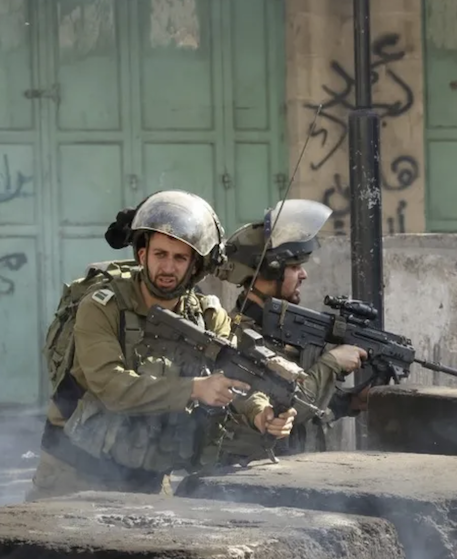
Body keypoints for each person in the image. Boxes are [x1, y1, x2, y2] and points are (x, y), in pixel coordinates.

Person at [28, 190, 297, 500]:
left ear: (195, 265)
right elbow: (111, 387)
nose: (168, 268)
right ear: (143, 255)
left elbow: (235, 376)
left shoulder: (208, 316)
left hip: (149, 477)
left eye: (180, 257)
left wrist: (260, 412)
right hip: (74, 471)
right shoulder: (104, 307)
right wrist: (195, 389)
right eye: (160, 255)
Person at [211, 199, 368, 466]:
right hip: (248, 476)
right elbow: (291, 404)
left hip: (294, 468)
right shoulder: (235, 335)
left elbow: (315, 407)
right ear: (269, 271)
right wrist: (331, 364)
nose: (304, 274)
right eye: (294, 267)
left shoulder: (282, 329)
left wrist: (352, 401)